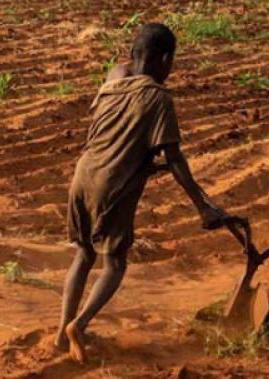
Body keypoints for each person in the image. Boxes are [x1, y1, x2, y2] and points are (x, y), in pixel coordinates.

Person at [55, 23, 228, 362]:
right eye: (172, 62)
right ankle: (80, 324)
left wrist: (144, 163)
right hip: (112, 186)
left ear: (133, 54)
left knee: (83, 255)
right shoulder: (159, 98)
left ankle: (61, 332)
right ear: (165, 59)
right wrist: (203, 207)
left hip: (82, 175)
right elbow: (175, 158)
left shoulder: (114, 75)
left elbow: (114, 132)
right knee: (115, 264)